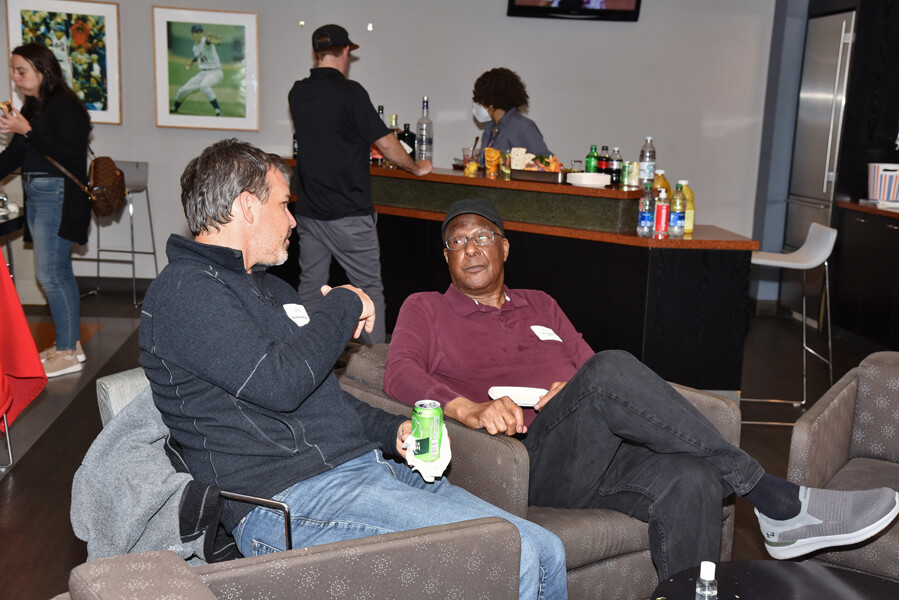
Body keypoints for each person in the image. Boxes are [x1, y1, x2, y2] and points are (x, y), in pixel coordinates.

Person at [383, 198, 899, 581]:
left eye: (481, 236)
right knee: (608, 371)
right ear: (447, 258)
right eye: (456, 242)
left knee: (694, 476)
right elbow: (398, 372)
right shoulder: (426, 308)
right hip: (521, 461)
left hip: (594, 451)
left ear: (504, 247)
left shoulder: (540, 304)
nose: (470, 249)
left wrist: (571, 387)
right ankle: (772, 498)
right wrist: (468, 408)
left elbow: (589, 370)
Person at [138, 140, 567, 599]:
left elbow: (321, 395)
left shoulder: (273, 292)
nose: (293, 220)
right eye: (283, 205)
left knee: (546, 549)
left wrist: (395, 431)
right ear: (247, 206)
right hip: (288, 502)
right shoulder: (185, 292)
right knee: (512, 555)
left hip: (364, 475)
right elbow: (280, 383)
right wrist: (343, 303)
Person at [288, 24, 432, 345]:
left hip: (309, 212)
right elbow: (386, 143)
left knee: (310, 289)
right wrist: (415, 168)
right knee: (369, 291)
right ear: (345, 51)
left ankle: (305, 356)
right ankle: (376, 366)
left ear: (315, 53)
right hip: (349, 214)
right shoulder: (351, 93)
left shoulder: (297, 93)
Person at [0, 43, 91, 377]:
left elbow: (71, 155)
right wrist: (24, 131)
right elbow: (15, 157)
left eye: (21, 71)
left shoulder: (65, 105)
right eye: (13, 71)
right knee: (59, 272)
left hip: (57, 195)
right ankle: (70, 344)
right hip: (40, 194)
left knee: (50, 275)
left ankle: (67, 351)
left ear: (44, 70)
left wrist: (27, 130)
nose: (15, 77)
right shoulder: (34, 107)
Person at [472, 68, 550, 159]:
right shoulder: (488, 131)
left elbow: (545, 161)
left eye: (480, 102)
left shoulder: (523, 126)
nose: (479, 105)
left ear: (491, 103)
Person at [171, 25, 224, 117]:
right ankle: (175, 108)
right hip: (203, 73)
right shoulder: (195, 47)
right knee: (182, 90)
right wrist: (192, 61)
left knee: (204, 86)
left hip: (215, 73)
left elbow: (207, 43)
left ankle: (218, 111)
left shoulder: (204, 41)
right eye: (196, 32)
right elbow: (199, 55)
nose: (199, 34)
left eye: (201, 32)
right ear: (192, 34)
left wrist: (210, 41)